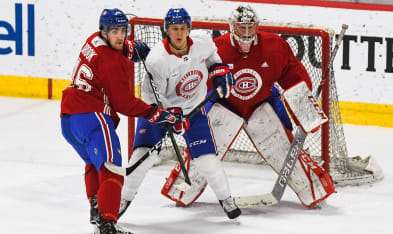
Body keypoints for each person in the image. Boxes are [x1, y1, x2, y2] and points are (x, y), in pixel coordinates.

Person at [161, 4, 335, 209]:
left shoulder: (275, 46)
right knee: (203, 149)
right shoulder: (216, 49)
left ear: (257, 27)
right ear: (231, 27)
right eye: (241, 28)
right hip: (225, 108)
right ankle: (181, 191)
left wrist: (304, 111)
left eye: (250, 28)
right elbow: (196, 83)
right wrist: (186, 113)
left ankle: (315, 190)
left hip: (262, 106)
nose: (246, 33)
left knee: (283, 149)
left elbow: (294, 77)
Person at [60, 8, 182, 234]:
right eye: (113, 31)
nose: (119, 36)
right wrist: (158, 114)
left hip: (69, 119)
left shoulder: (93, 41)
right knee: (113, 170)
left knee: (95, 165)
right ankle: (108, 224)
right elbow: (124, 104)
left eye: (122, 31)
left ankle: (96, 208)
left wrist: (129, 48)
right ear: (103, 32)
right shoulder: (111, 62)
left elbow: (115, 49)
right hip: (92, 117)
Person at [119, 7, 241, 220]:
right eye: (174, 28)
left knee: (207, 161)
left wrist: (219, 71)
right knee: (141, 158)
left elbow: (212, 57)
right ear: (167, 30)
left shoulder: (201, 42)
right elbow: (150, 99)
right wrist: (171, 117)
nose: (179, 33)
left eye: (183, 28)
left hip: (194, 110)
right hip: (159, 113)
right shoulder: (157, 60)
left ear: (189, 29)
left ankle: (226, 198)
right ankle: (121, 200)